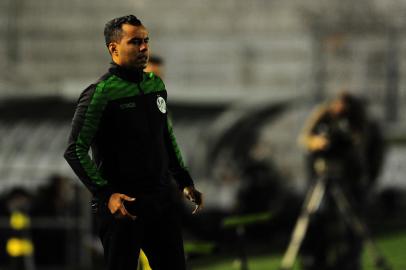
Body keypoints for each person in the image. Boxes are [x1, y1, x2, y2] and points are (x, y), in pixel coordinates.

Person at [64, 15, 203, 270]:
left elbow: (165, 136)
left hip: (161, 202)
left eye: (146, 41)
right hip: (123, 207)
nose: (143, 48)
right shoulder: (100, 92)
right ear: (114, 48)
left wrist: (184, 180)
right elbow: (74, 150)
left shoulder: (155, 85)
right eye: (135, 42)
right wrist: (106, 194)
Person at [297, 92, 385, 270]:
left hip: (351, 181)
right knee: (316, 222)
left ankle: (349, 262)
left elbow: (367, 151)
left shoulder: (361, 122)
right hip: (322, 180)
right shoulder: (323, 115)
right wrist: (316, 142)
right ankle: (315, 261)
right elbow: (305, 138)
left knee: (353, 226)